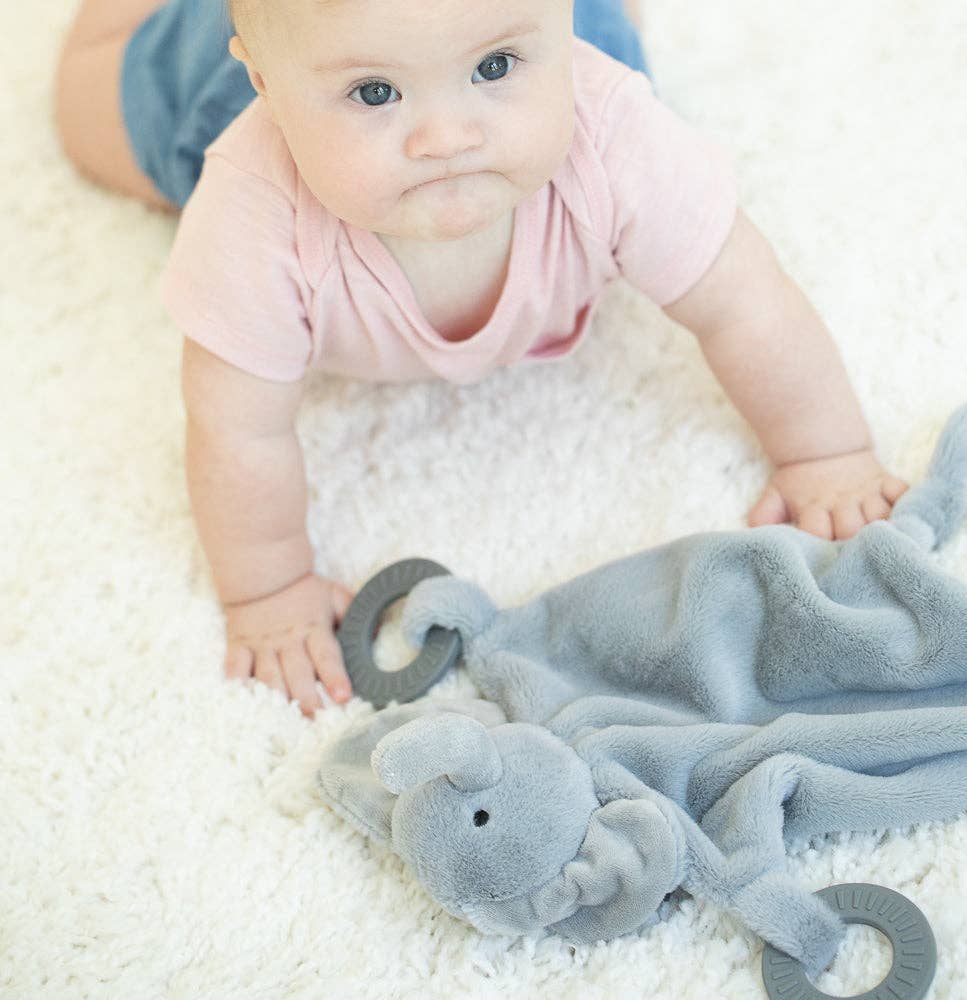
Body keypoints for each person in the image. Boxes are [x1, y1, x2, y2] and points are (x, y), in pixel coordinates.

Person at [54, 0, 908, 717]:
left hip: (555, 68)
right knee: (87, 105)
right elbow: (234, 427)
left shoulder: (615, 136)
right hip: (228, 85)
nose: (447, 135)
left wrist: (825, 454)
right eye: (376, 92)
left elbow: (746, 302)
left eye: (492, 69)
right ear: (268, 85)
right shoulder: (252, 211)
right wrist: (269, 591)